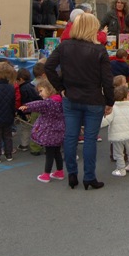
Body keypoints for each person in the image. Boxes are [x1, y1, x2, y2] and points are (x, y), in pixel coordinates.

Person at [44, 13, 114, 190]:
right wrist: (110, 102)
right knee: (90, 138)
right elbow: (107, 80)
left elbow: (48, 66)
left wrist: (61, 88)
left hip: (71, 97)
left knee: (71, 137)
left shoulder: (65, 46)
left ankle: (72, 174)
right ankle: (89, 177)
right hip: (93, 99)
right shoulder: (99, 50)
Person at [19, 79, 66, 183]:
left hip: (49, 132)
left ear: (49, 89)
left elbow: (38, 104)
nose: (40, 94)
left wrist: (26, 107)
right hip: (60, 130)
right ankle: (59, 172)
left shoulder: (48, 102)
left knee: (49, 153)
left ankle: (46, 175)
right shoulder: (60, 101)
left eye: (41, 91)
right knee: (57, 152)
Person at [101, 83, 129, 177]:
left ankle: (121, 169)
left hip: (117, 135)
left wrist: (98, 121)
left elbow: (106, 121)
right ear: (125, 97)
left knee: (118, 153)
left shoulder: (113, 108)